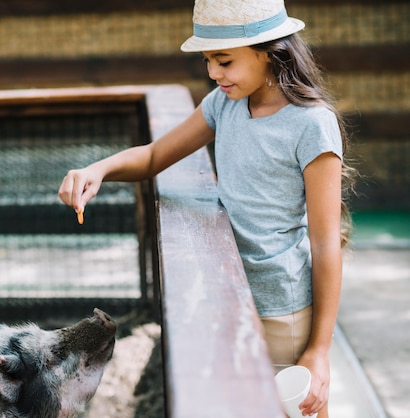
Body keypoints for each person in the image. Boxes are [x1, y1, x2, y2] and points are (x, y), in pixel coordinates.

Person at [58, 0, 356, 416]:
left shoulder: (311, 124)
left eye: (225, 60)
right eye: (208, 61)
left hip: (279, 311)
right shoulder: (224, 103)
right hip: (228, 297)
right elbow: (155, 155)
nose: (214, 73)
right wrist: (98, 169)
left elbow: (326, 244)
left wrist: (320, 352)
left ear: (269, 51)